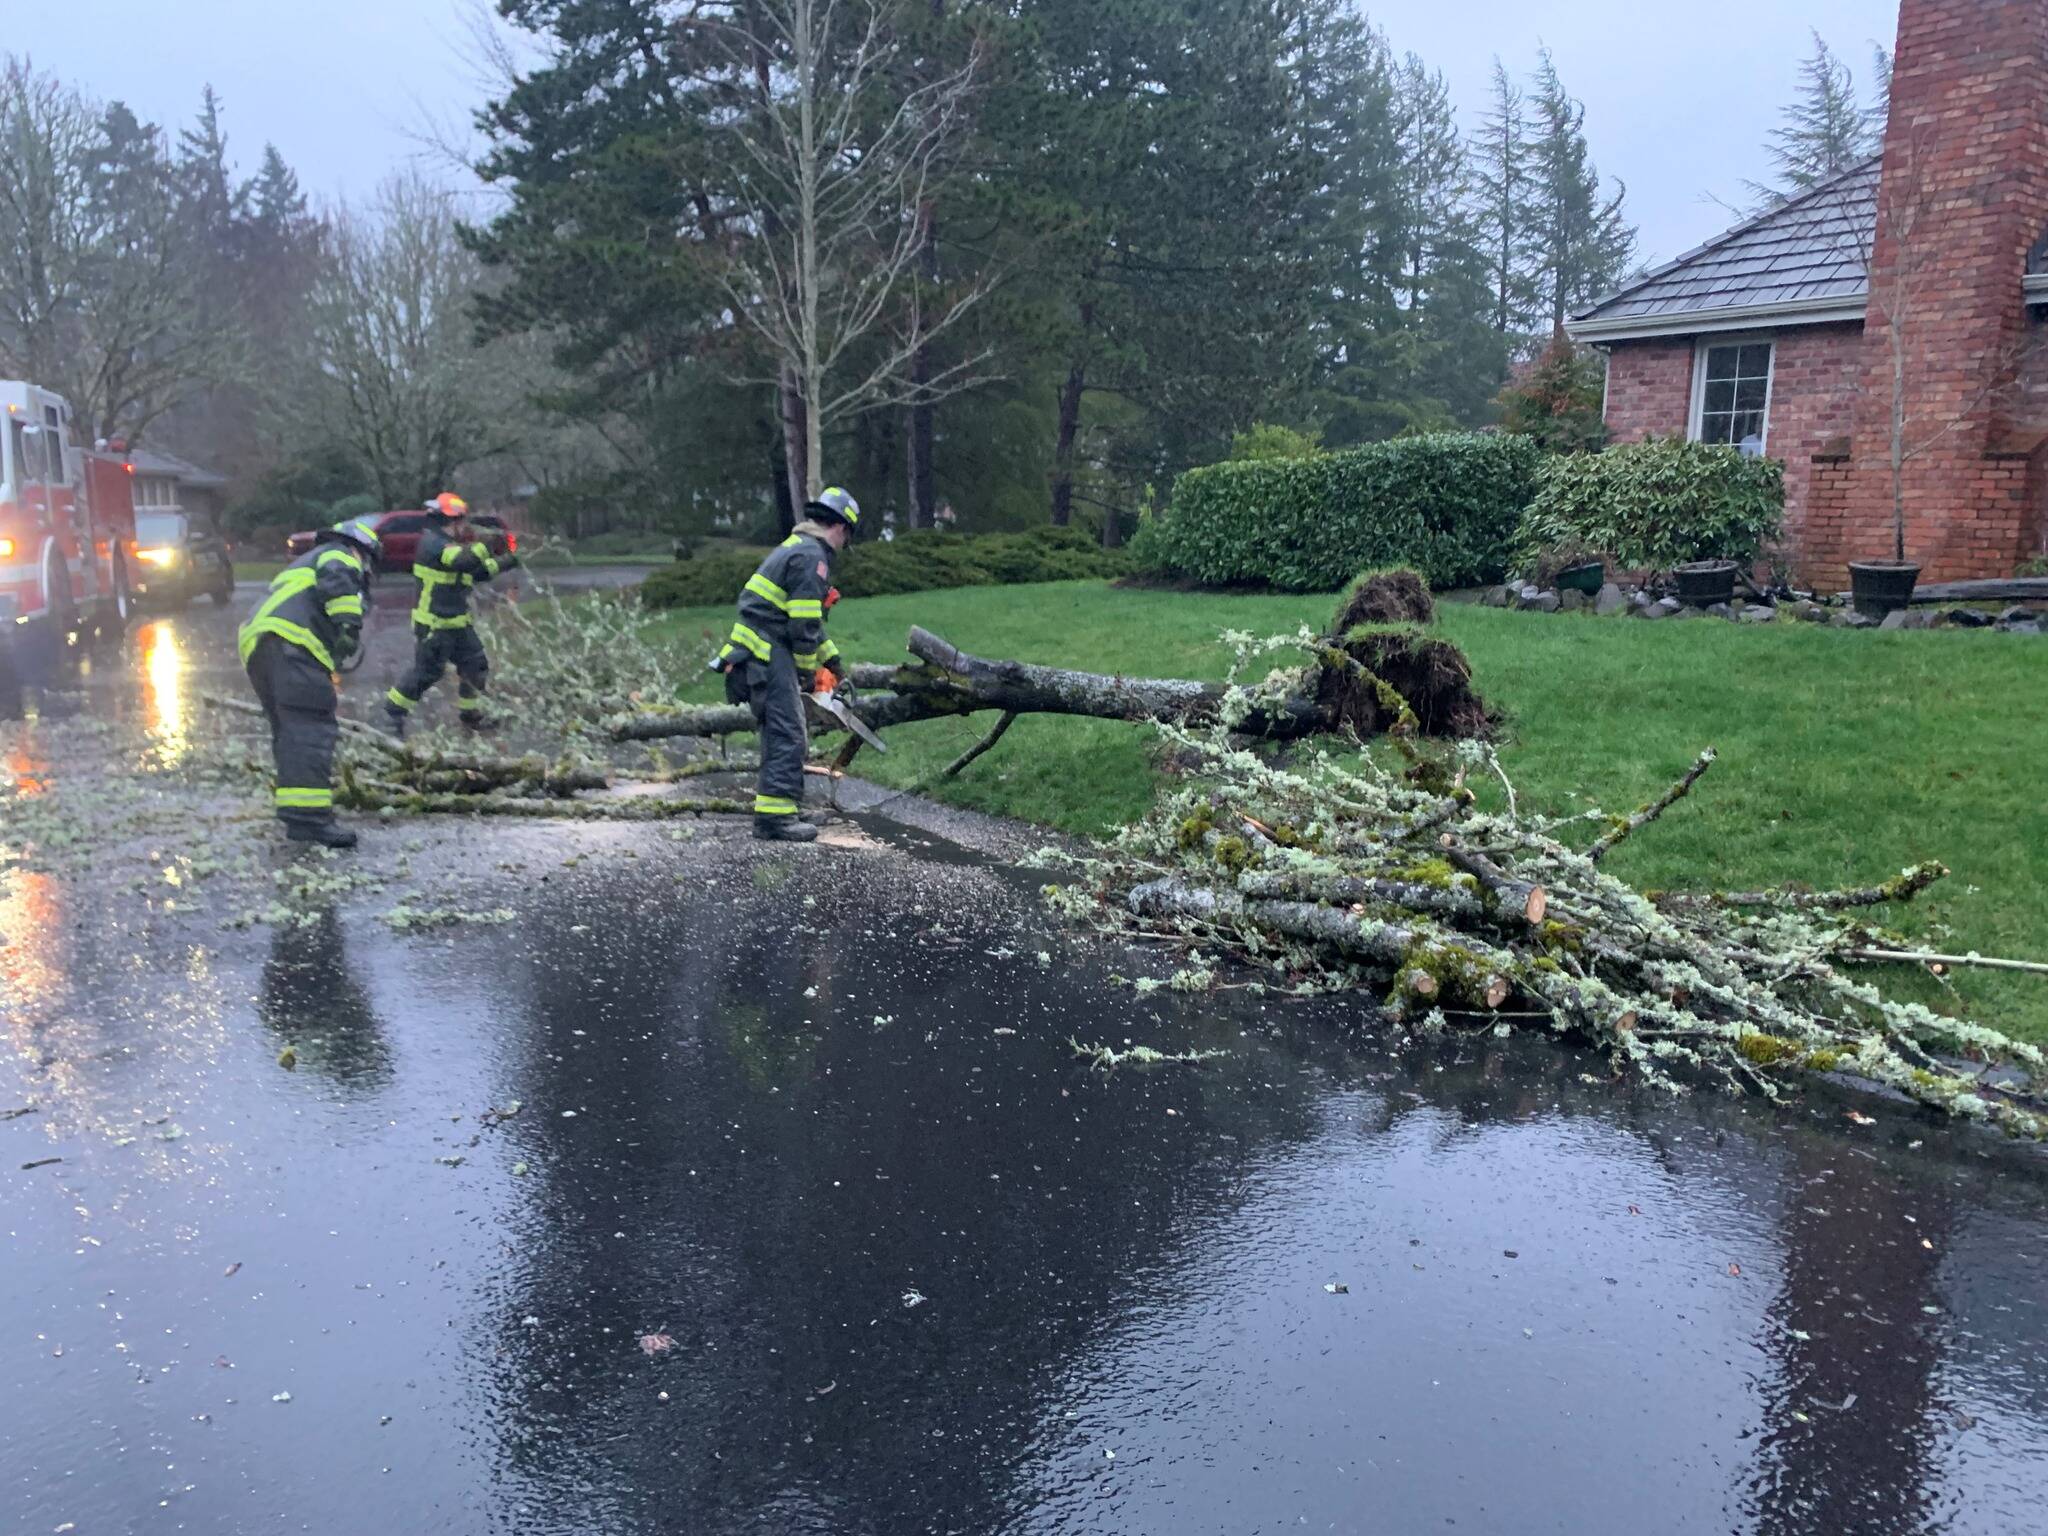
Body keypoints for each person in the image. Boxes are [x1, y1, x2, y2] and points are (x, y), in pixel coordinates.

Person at [718, 486, 859, 842]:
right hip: (768, 650)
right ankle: (774, 819)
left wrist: (835, 663)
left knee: (786, 729)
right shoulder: (814, 556)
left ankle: (785, 807)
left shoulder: (801, 548)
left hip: (766, 644)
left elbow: (808, 621)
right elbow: (803, 625)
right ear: (842, 527)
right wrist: (809, 673)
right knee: (788, 731)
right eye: (847, 536)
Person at [238, 517, 381, 849]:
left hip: (260, 647)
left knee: (290, 731)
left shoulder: (304, 563)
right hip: (293, 644)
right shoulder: (341, 554)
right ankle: (310, 820)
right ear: (363, 551)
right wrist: (348, 625)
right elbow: (340, 585)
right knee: (311, 728)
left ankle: (295, 811)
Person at [382, 493, 518, 736]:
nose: (464, 527)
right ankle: (391, 715)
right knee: (427, 672)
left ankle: (470, 715)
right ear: (452, 521)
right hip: (434, 625)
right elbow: (463, 561)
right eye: (461, 522)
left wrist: (509, 560)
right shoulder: (433, 543)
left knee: (475, 665)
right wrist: (486, 544)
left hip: (456, 625)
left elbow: (478, 572)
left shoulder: (448, 544)